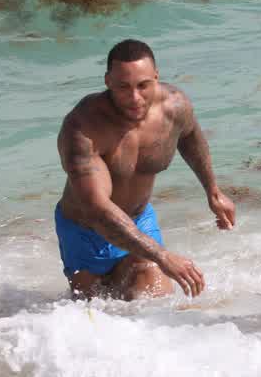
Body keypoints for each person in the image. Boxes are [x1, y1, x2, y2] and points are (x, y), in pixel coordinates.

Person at [55, 39, 236, 300]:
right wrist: (162, 255)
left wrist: (213, 191)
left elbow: (190, 136)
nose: (135, 98)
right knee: (94, 311)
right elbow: (97, 210)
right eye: (123, 87)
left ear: (156, 77)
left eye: (143, 85)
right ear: (107, 81)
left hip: (139, 220)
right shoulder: (84, 128)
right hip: (86, 232)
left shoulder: (174, 107)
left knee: (155, 302)